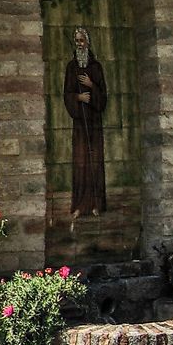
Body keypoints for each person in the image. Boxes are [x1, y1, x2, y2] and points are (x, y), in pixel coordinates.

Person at [63, 25, 107, 216]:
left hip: (94, 123)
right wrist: (77, 98)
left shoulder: (96, 68)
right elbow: (66, 94)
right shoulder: (71, 67)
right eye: (77, 41)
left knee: (95, 162)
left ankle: (97, 204)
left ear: (88, 42)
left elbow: (103, 96)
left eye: (82, 40)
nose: (79, 44)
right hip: (80, 124)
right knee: (81, 162)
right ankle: (80, 205)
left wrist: (92, 86)